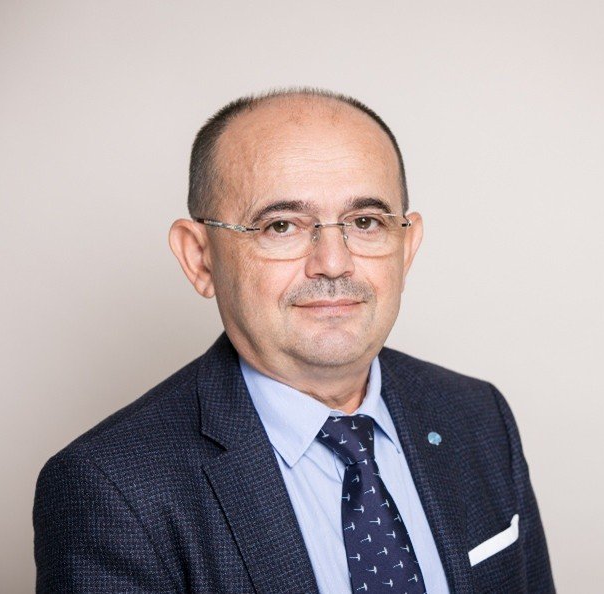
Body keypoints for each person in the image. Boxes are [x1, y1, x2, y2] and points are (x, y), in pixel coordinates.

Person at [33, 88, 554, 593]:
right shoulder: (111, 489)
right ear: (200, 258)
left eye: (365, 221)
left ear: (406, 246)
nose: (334, 262)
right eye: (281, 225)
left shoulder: (477, 416)